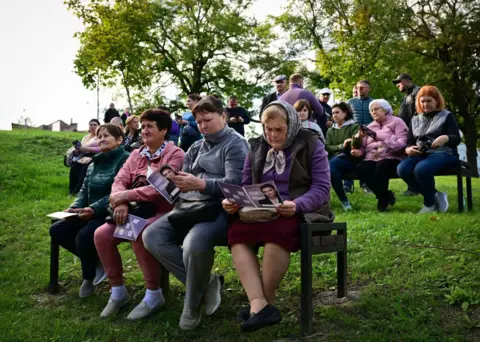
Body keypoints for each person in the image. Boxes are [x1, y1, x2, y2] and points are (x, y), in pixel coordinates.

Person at [223, 100, 332, 332]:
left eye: (278, 129)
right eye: (267, 129)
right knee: (236, 232)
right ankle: (259, 303)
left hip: (302, 211)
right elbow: (246, 185)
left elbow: (322, 189)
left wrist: (297, 204)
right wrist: (235, 202)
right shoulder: (256, 148)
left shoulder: (312, 145)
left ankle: (263, 304)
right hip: (263, 210)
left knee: (278, 230)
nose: (272, 135)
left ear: (291, 125)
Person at [143, 96, 249, 330]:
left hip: (222, 211)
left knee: (194, 243)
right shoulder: (195, 146)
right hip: (189, 208)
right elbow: (186, 179)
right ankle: (206, 285)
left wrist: (200, 184)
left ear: (224, 116)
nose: (202, 126)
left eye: (207, 120)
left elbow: (237, 184)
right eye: (199, 121)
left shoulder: (236, 144)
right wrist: (172, 180)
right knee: (151, 236)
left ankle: (192, 305)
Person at [94, 110, 185, 320]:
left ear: (163, 130)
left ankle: (154, 294)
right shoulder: (136, 154)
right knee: (102, 235)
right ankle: (117, 292)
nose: (144, 131)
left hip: (164, 211)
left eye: (149, 126)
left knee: (138, 230)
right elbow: (119, 180)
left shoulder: (175, 154)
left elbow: (161, 189)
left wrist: (128, 195)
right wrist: (122, 200)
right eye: (142, 127)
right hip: (135, 209)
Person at [50, 124, 130, 298]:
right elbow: (84, 190)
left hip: (111, 212)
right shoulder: (95, 161)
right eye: (99, 136)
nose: (101, 139)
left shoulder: (125, 159)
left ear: (119, 140)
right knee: (57, 229)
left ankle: (88, 276)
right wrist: (75, 207)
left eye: (106, 136)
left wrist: (93, 209)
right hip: (88, 211)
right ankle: (95, 262)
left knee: (84, 236)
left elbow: (117, 192)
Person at [397, 86, 461, 214]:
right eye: (423, 101)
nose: (425, 104)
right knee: (402, 169)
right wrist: (408, 149)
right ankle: (435, 195)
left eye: (429, 101)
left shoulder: (447, 116)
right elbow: (409, 142)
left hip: (444, 153)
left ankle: (429, 205)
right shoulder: (414, 119)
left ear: (437, 101)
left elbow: (457, 138)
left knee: (421, 169)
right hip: (421, 154)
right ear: (418, 102)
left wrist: (445, 137)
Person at [352, 99, 408, 212]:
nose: (373, 112)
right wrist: (359, 151)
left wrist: (379, 136)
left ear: (385, 109)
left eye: (376, 109)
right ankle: (385, 195)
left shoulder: (397, 121)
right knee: (361, 169)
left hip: (392, 156)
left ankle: (382, 201)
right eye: (371, 110)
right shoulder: (370, 126)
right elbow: (363, 147)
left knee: (381, 167)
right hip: (372, 157)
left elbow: (402, 143)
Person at [326, 102, 360, 210]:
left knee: (331, 167)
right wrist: (342, 145)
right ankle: (342, 200)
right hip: (334, 160)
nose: (334, 115)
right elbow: (327, 147)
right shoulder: (330, 130)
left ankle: (344, 201)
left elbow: (357, 146)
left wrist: (355, 140)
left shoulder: (354, 126)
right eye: (333, 113)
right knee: (332, 169)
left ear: (345, 113)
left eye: (337, 112)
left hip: (350, 160)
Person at [392, 73, 421, 197]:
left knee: (414, 159)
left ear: (405, 80)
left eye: (399, 82)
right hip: (409, 132)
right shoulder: (408, 95)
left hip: (416, 132)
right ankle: (413, 187)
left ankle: (415, 188)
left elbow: (419, 113)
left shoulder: (417, 91)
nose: (398, 85)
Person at [347, 80, 375, 194]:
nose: (359, 89)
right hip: (353, 134)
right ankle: (347, 185)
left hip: (369, 135)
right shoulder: (350, 102)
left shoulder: (373, 102)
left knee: (366, 158)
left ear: (368, 89)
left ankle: (365, 184)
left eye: (362, 87)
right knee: (350, 157)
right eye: (358, 87)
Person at [69, 119, 100, 194]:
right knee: (74, 167)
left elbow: (100, 149)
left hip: (95, 155)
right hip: (82, 155)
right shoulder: (85, 137)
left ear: (99, 126)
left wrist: (85, 149)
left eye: (95, 124)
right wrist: (77, 150)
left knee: (84, 169)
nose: (92, 126)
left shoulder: (100, 136)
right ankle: (71, 190)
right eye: (91, 125)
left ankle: (79, 191)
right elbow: (81, 148)